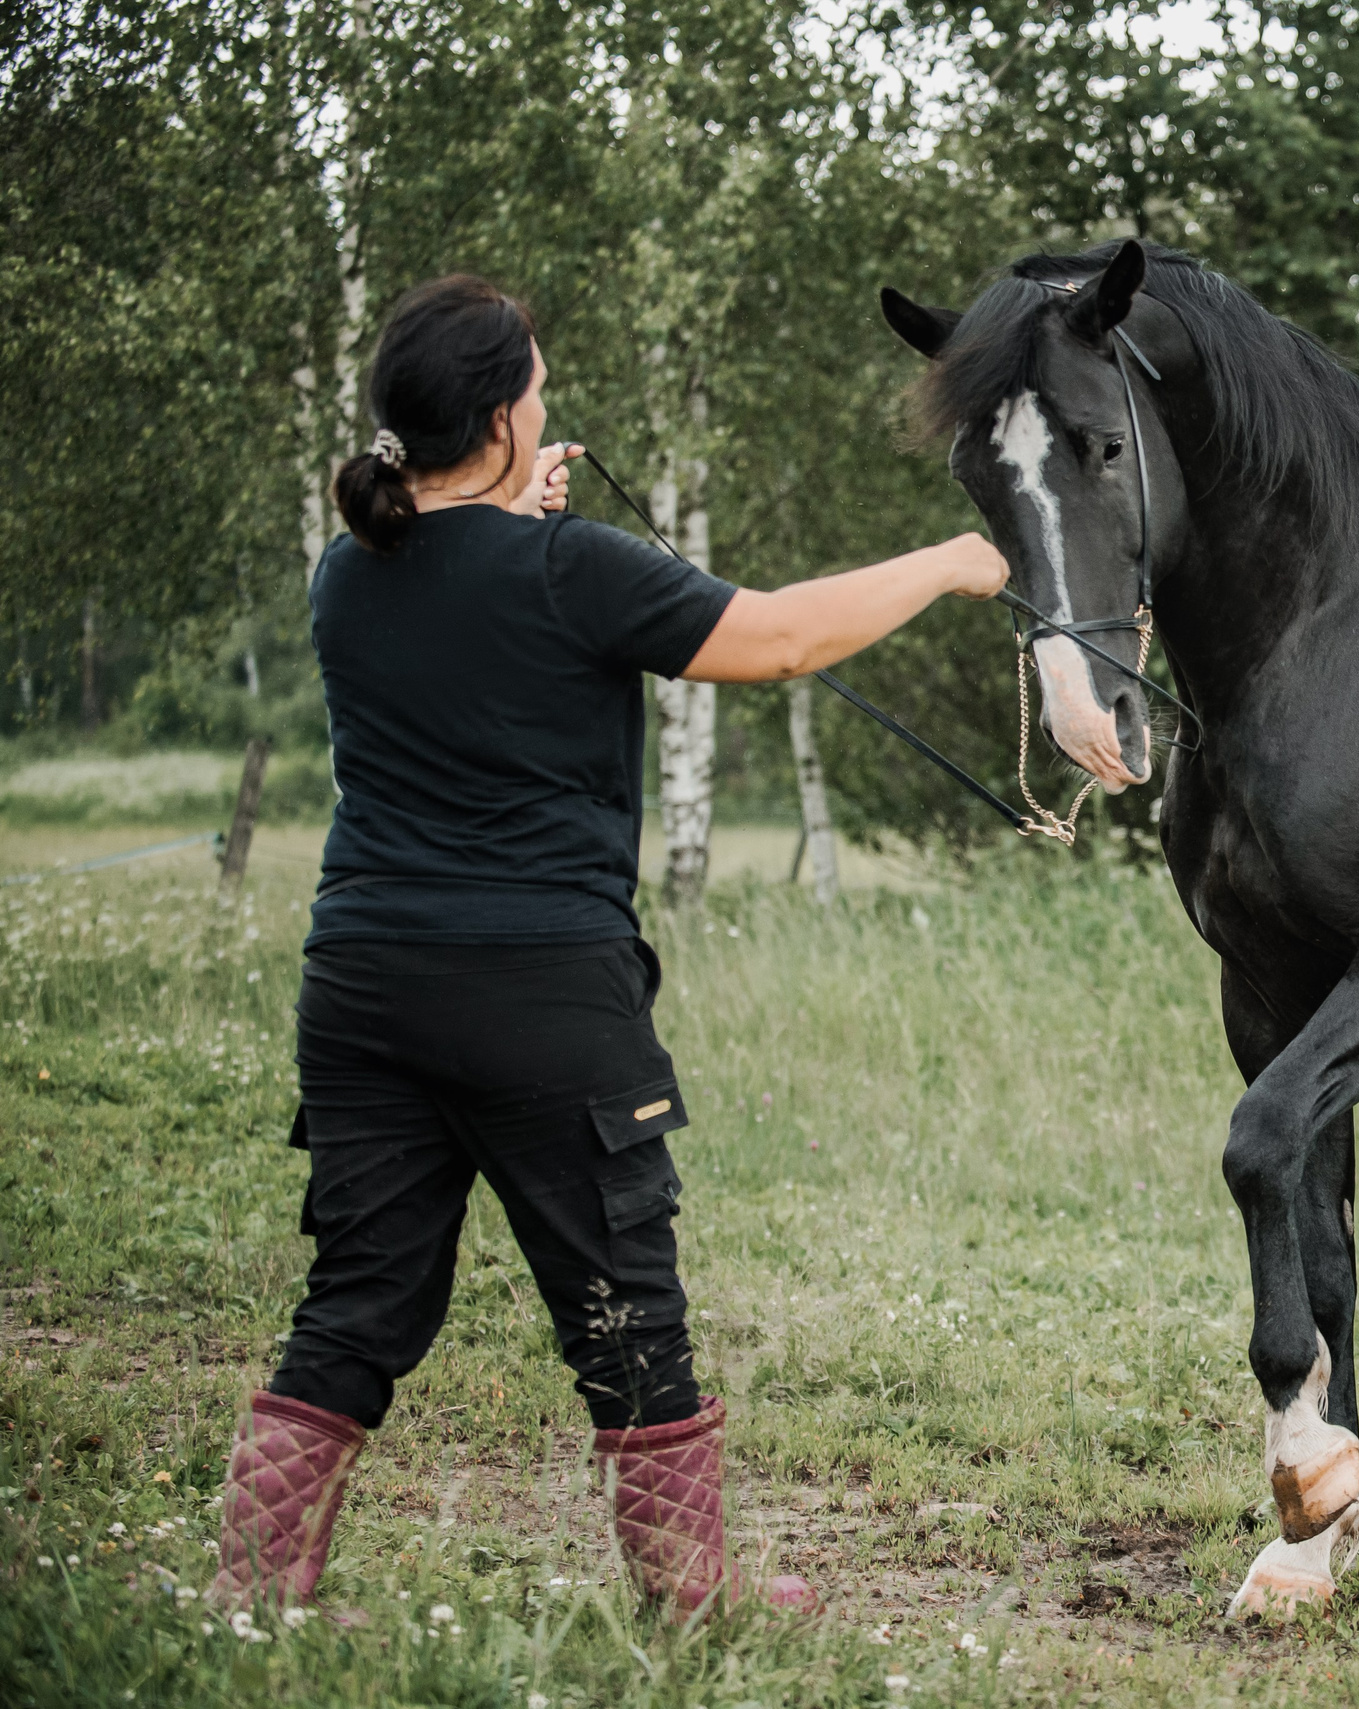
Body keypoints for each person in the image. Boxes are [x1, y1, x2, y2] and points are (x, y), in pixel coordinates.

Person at [206, 274, 1008, 1615]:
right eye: (535, 388)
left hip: (363, 983)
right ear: (502, 419)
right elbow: (778, 639)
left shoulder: (347, 572)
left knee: (358, 1297)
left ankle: (248, 1589)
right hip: (542, 994)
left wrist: (504, 508)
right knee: (627, 1302)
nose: (545, 406)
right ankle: (692, 1597)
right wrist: (950, 562)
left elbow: (461, 594)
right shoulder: (571, 566)